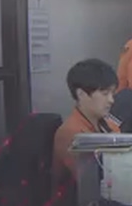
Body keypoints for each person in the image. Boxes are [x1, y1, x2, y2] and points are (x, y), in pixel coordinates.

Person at [52, 59, 121, 187]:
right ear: (81, 94)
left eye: (112, 93)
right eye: (105, 94)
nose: (111, 100)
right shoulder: (71, 133)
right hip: (83, 197)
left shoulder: (110, 126)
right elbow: (90, 180)